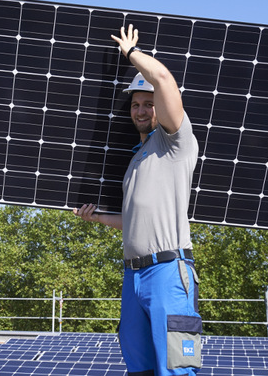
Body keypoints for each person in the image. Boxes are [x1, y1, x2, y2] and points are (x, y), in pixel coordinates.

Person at [73, 24, 201, 376]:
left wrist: (131, 53)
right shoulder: (136, 160)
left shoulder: (176, 143)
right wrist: (98, 218)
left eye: (149, 103)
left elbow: (162, 78)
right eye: (136, 105)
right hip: (133, 277)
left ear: (162, 106)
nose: (141, 111)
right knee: (139, 368)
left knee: (176, 368)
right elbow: (134, 222)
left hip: (167, 272)